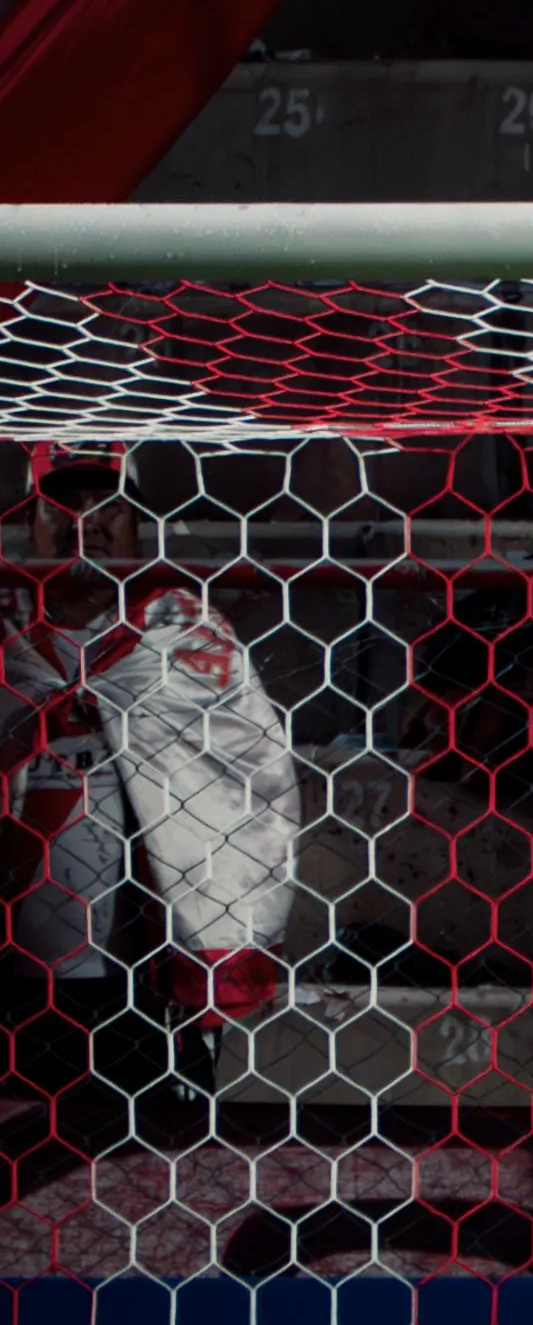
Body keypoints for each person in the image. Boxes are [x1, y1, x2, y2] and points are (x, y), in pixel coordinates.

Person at [0, 443, 297, 1137]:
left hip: (142, 978)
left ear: (139, 523)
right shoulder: (7, 635)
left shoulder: (183, 636)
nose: (86, 522)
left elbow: (248, 774)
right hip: (15, 970)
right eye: (62, 505)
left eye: (107, 505)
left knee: (144, 1158)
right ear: (28, 520)